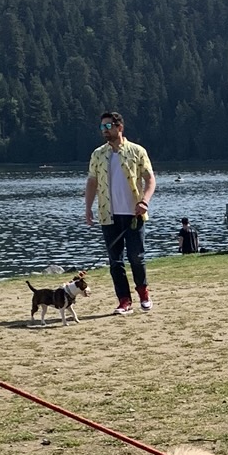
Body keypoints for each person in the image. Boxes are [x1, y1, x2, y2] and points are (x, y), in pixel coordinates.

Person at [84, 109, 155, 315]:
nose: (105, 131)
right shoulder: (98, 154)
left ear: (119, 127)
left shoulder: (137, 151)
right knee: (115, 261)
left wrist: (145, 201)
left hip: (134, 214)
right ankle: (124, 301)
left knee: (136, 257)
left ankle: (143, 293)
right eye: (102, 127)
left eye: (108, 126)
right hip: (108, 215)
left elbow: (150, 179)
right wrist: (88, 208)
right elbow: (92, 182)